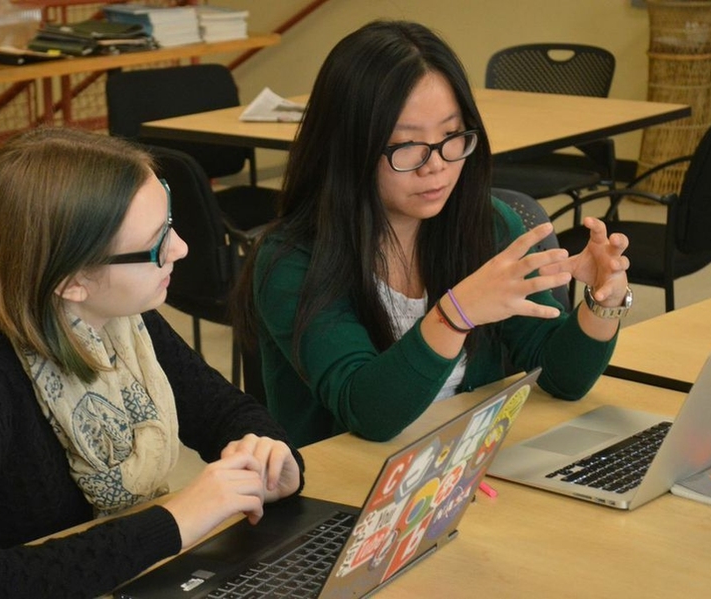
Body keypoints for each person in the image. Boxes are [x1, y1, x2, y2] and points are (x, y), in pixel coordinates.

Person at [0, 127, 303, 598]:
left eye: (171, 225)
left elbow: (226, 413)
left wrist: (269, 456)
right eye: (156, 242)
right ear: (73, 281)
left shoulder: (122, 322)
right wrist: (175, 521)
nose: (181, 249)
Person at [233, 20, 632, 448]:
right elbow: (367, 412)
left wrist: (601, 303)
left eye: (451, 136)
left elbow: (561, 378)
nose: (436, 165)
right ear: (349, 147)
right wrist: (455, 315)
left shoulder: (487, 224)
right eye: (407, 145)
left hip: (459, 470)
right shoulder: (293, 259)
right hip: (347, 495)